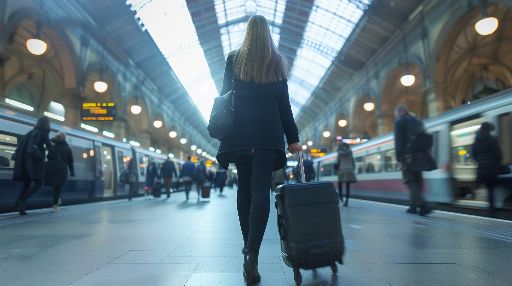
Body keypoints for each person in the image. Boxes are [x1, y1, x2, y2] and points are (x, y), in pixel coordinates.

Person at [214, 15, 301, 284]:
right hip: (267, 137)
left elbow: (225, 94)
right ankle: (253, 253)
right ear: (268, 34)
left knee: (245, 190)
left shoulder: (234, 59)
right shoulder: (276, 62)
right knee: (262, 190)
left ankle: (247, 247)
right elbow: (284, 106)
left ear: (248, 33)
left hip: (240, 135)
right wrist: (293, 138)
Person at [393, 104, 432, 216]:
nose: (396, 116)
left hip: (408, 157)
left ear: (400, 112)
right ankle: (413, 207)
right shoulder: (418, 121)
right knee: (418, 181)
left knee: (410, 182)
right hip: (421, 156)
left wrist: (399, 158)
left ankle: (423, 205)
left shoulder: (399, 122)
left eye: (396, 114)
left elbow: (399, 142)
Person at [12, 116, 51, 215]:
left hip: (24, 162)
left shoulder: (29, 133)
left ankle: (19, 203)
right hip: (34, 162)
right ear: (47, 124)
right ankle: (21, 201)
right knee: (38, 183)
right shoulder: (43, 132)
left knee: (27, 184)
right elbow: (50, 147)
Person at [472, 122, 502, 212]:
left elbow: (472, 156)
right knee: (491, 189)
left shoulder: (476, 142)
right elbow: (499, 155)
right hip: (491, 168)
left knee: (486, 187)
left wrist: (481, 162)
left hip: (481, 169)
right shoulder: (493, 140)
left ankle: (485, 204)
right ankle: (492, 207)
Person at [44, 132, 74, 210]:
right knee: (58, 187)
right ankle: (55, 205)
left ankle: (56, 201)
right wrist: (72, 172)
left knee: (55, 186)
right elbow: (70, 161)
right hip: (61, 168)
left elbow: (48, 156)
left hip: (51, 168)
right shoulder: (67, 148)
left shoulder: (53, 146)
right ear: (65, 139)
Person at [336, 142, 356, 206]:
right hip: (349, 170)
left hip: (342, 170)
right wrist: (352, 169)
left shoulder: (339, 153)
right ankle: (347, 200)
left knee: (340, 184)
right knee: (348, 186)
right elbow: (353, 162)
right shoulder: (350, 152)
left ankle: (341, 197)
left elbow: (337, 162)